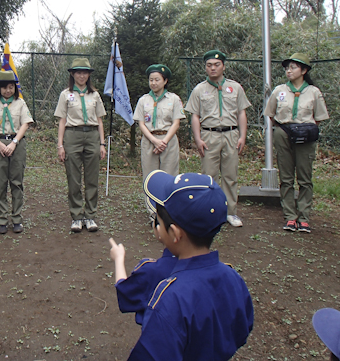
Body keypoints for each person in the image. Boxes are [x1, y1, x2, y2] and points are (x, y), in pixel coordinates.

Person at [111, 170, 253, 360]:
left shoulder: (170, 298)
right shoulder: (233, 278)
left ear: (175, 234)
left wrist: (119, 259)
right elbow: (242, 328)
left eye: (158, 221)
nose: (156, 226)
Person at [185, 50, 250, 227]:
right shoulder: (199, 89)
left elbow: (241, 113)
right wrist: (197, 139)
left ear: (223, 66)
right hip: (209, 135)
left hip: (231, 134)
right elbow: (195, 116)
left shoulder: (235, 87)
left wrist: (242, 136)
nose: (213, 68)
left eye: (216, 65)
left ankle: (230, 212)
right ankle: (209, 212)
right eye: (209, 65)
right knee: (208, 176)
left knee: (230, 175)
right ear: (205, 67)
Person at [264, 53, 329, 233]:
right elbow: (271, 115)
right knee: (286, 177)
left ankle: (304, 217)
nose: (289, 70)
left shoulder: (314, 92)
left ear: (304, 70)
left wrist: (304, 131)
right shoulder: (279, 90)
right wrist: (285, 130)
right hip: (283, 133)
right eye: (287, 68)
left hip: (306, 135)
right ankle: (290, 216)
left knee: (304, 177)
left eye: (293, 67)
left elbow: (319, 117)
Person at [54, 58, 107, 233]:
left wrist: (102, 143)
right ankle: (77, 216)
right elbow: (62, 120)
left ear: (89, 75)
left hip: (92, 135)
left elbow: (99, 120)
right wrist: (60, 145)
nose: (82, 75)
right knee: (73, 178)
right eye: (78, 72)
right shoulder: (65, 94)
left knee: (92, 178)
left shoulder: (95, 95)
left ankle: (90, 216)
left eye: (85, 72)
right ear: (72, 74)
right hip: (72, 135)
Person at [0, 71, 33, 234]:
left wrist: (14, 142)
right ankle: (2, 219)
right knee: (0, 183)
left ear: (15, 88)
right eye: (4, 87)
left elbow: (25, 124)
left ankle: (17, 218)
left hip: (17, 144)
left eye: (11, 87)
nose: (8, 91)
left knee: (16, 182)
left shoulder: (20, 103)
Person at [133, 64, 185, 201]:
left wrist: (164, 141)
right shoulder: (144, 100)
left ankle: (168, 212)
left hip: (168, 140)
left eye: (157, 79)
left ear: (165, 81)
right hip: (149, 140)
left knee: (169, 177)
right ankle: (153, 212)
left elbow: (176, 123)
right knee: (150, 177)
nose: (153, 83)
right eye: (151, 80)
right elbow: (141, 124)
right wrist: (155, 141)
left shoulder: (174, 99)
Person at [109, 223, 177, 326]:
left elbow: (125, 291)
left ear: (159, 231)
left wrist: (119, 259)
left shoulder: (151, 271)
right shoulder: (210, 271)